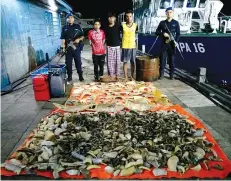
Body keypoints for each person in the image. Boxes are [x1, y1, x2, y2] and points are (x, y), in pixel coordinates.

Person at [155, 7, 180, 80]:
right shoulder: (162, 23)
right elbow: (156, 32)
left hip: (172, 44)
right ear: (166, 13)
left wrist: (176, 41)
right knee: (162, 60)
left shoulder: (176, 23)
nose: (169, 14)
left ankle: (171, 75)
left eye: (170, 12)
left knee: (172, 60)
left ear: (173, 13)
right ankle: (161, 74)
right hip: (164, 44)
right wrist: (163, 33)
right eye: (168, 12)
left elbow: (178, 34)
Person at [60, 12, 85, 84]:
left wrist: (79, 39)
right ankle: (70, 77)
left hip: (76, 48)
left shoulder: (77, 26)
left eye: (71, 17)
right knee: (68, 64)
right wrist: (63, 48)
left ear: (73, 19)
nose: (70, 19)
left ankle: (80, 76)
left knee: (78, 63)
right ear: (66, 19)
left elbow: (83, 36)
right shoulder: (64, 28)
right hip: (68, 49)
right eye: (68, 18)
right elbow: (63, 39)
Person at [121, 10, 138, 81]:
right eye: (127, 16)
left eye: (130, 16)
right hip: (125, 45)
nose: (129, 18)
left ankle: (131, 76)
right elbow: (120, 35)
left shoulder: (135, 25)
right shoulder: (122, 26)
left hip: (133, 46)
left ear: (132, 17)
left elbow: (136, 36)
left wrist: (136, 45)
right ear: (125, 17)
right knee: (125, 62)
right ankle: (125, 77)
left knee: (132, 62)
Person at [105, 12, 121, 81]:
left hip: (117, 46)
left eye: (112, 17)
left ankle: (117, 75)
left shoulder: (118, 26)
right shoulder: (106, 27)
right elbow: (104, 37)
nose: (111, 19)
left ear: (115, 18)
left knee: (117, 62)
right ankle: (111, 75)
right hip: (109, 47)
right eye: (109, 17)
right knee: (110, 62)